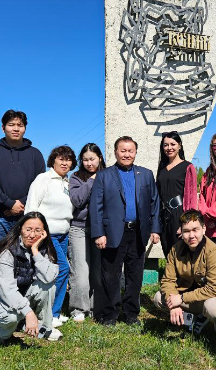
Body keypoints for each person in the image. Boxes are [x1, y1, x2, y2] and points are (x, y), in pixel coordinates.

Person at [89, 136, 161, 326]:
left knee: (135, 275)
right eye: (123, 150)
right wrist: (99, 233)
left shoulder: (145, 174)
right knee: (110, 275)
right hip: (112, 232)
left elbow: (154, 203)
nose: (127, 154)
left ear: (135, 152)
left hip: (138, 232)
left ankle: (131, 314)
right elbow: (95, 207)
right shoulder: (104, 175)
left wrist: (155, 229)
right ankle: (110, 314)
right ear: (115, 152)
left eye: (130, 151)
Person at [0, 212, 62, 345]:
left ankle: (44, 327)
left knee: (48, 286)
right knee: (11, 316)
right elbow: (7, 291)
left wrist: (35, 251)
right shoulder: (7, 252)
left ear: (44, 232)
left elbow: (49, 278)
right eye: (28, 230)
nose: (32, 235)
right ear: (20, 229)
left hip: (20, 294)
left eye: (37, 230)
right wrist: (28, 312)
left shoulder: (43, 248)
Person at [152, 210, 216, 338]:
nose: (191, 235)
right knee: (159, 298)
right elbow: (167, 281)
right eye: (186, 231)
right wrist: (173, 304)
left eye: (195, 230)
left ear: (204, 229)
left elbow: (214, 288)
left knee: (212, 308)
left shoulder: (214, 252)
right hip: (188, 298)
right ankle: (189, 320)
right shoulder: (175, 250)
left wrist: (180, 299)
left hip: (209, 298)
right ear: (181, 232)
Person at [0, 110, 46, 256]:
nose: (16, 128)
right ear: (3, 128)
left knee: (26, 260)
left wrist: (20, 205)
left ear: (25, 128)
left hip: (26, 217)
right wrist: (9, 204)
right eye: (11, 125)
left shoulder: (35, 154)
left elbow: (40, 184)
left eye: (20, 125)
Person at [25, 145, 76, 328]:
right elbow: (31, 207)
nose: (65, 162)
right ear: (53, 160)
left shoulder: (68, 182)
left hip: (64, 233)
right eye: (61, 159)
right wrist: (34, 233)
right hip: (48, 234)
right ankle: (48, 314)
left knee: (59, 272)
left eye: (68, 159)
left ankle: (54, 311)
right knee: (61, 269)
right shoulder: (43, 179)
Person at [68, 143, 106, 322]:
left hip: (101, 229)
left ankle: (94, 306)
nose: (89, 163)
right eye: (85, 160)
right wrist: (91, 180)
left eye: (92, 159)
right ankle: (78, 308)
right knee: (81, 270)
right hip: (79, 228)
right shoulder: (76, 177)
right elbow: (77, 200)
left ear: (100, 158)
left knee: (97, 271)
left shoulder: (108, 175)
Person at [156, 131, 198, 256]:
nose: (169, 148)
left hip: (179, 215)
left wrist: (186, 223)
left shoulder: (187, 167)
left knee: (181, 256)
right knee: (168, 254)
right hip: (164, 217)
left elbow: (191, 198)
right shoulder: (162, 168)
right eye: (165, 145)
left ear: (179, 145)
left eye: (173, 144)